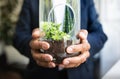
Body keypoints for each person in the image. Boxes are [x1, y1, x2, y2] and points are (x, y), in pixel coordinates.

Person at [13, 0, 107, 79]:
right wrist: (33, 46)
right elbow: (19, 36)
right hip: (41, 74)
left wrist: (85, 46)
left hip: (80, 74)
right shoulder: (31, 1)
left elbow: (100, 34)